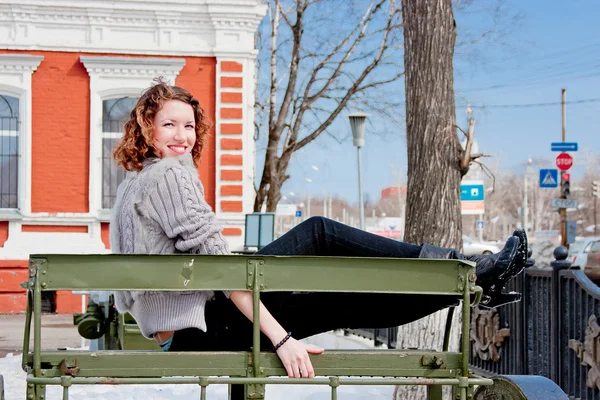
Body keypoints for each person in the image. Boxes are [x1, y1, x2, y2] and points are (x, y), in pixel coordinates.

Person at [110, 80, 527, 395]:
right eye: (168, 124)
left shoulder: (134, 183)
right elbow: (223, 269)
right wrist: (283, 339)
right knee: (319, 232)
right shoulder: (169, 177)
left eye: (188, 125)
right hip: (202, 330)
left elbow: (147, 284)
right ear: (146, 127)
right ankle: (462, 270)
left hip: (182, 333)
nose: (182, 136)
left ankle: (470, 282)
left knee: (333, 303)